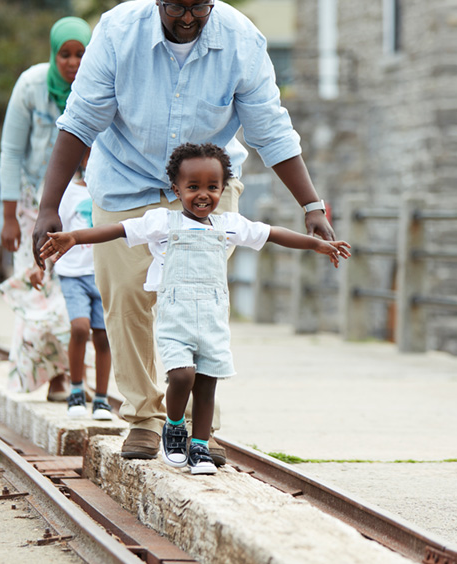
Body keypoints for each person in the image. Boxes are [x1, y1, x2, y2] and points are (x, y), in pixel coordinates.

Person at [32, 0, 336, 464]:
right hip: (125, 181)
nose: (189, 18)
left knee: (195, 302)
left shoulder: (240, 39)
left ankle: (200, 429)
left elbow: (271, 130)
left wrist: (312, 205)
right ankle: (147, 417)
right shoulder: (117, 32)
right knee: (128, 299)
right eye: (176, 7)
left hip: (204, 191)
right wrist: (48, 207)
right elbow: (79, 123)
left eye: (200, 6)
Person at [40, 143, 350, 473]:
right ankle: (174, 424)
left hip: (213, 319)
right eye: (193, 187)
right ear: (176, 189)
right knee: (182, 374)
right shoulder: (163, 222)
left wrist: (317, 243)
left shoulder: (228, 224)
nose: (203, 195)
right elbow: (118, 229)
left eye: (212, 187)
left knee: (206, 382)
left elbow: (272, 234)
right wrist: (74, 237)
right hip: (176, 319)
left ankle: (199, 446)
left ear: (222, 188)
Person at [0, 15, 92, 399]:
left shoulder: (95, 85)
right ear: (53, 54)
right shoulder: (31, 87)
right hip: (30, 203)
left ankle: (72, 377)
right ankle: (53, 377)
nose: (72, 63)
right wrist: (9, 218)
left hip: (77, 202)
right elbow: (10, 152)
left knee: (74, 285)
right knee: (40, 288)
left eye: (80, 54)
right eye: (64, 54)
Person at [54, 148, 113, 420]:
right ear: (83, 160)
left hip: (103, 274)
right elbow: (56, 231)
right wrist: (37, 265)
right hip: (73, 274)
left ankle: (101, 399)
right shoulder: (70, 194)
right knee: (80, 328)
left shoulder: (112, 194)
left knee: (103, 336)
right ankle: (76, 390)